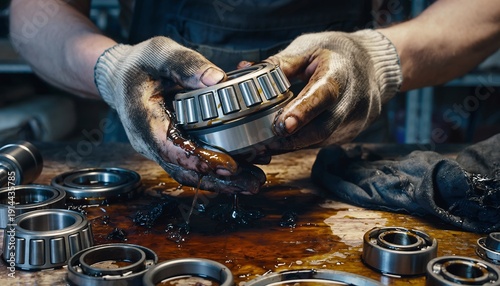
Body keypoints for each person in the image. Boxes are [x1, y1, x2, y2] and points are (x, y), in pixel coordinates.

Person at [9, 0, 500, 195]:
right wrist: (113, 69)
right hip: (153, 134)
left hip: (342, 143)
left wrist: (376, 58)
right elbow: (34, 17)